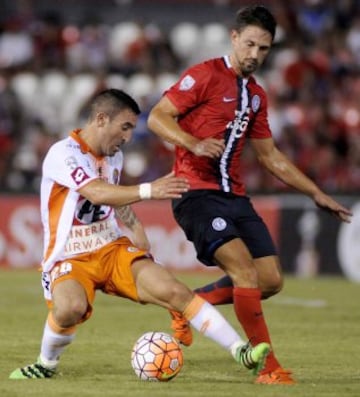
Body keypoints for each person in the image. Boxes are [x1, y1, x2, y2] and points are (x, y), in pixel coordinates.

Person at [147, 5, 353, 385]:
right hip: (196, 194)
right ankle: (268, 368)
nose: (255, 55)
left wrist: (316, 193)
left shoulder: (256, 96)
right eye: (251, 45)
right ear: (234, 38)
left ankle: (191, 304)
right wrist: (191, 143)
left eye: (264, 49)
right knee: (243, 272)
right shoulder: (204, 75)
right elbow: (157, 116)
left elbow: (271, 157)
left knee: (271, 280)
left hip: (234, 197)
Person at [9, 88, 270, 380]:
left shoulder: (114, 157)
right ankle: (46, 364)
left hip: (111, 248)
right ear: (101, 119)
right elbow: (95, 193)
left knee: (174, 291)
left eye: (132, 129)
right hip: (69, 255)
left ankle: (240, 351)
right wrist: (149, 190)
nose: (128, 137)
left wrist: (135, 228)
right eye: (125, 127)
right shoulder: (63, 154)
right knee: (70, 307)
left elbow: (114, 198)